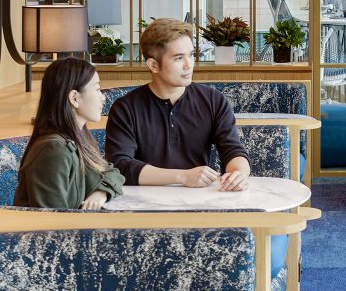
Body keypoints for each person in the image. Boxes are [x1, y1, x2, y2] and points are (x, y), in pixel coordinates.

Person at [105, 17, 251, 191]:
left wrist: (239, 174)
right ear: (153, 65)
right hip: (143, 204)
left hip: (200, 201)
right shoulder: (125, 108)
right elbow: (120, 165)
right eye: (178, 58)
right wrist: (182, 176)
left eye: (191, 55)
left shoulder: (214, 100)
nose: (189, 65)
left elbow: (233, 150)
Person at [15, 57, 124, 210]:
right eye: (97, 89)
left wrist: (101, 192)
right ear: (74, 98)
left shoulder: (77, 139)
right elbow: (54, 224)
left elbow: (113, 172)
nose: (103, 97)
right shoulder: (54, 150)